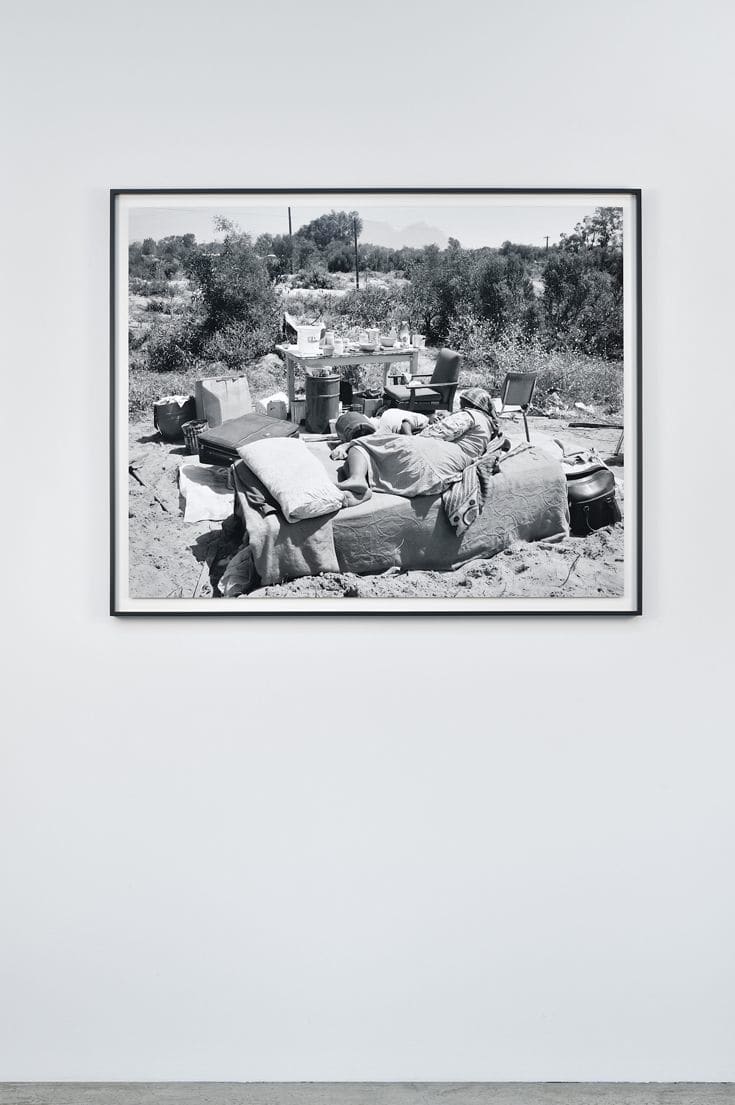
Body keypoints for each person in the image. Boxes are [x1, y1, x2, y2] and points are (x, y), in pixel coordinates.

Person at [336, 388, 500, 506]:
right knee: (366, 457)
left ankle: (357, 480)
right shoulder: (487, 428)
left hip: (432, 458)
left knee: (364, 445)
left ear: (472, 405)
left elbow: (438, 433)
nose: (461, 408)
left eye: (464, 404)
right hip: (444, 472)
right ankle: (361, 489)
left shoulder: (470, 415)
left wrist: (408, 439)